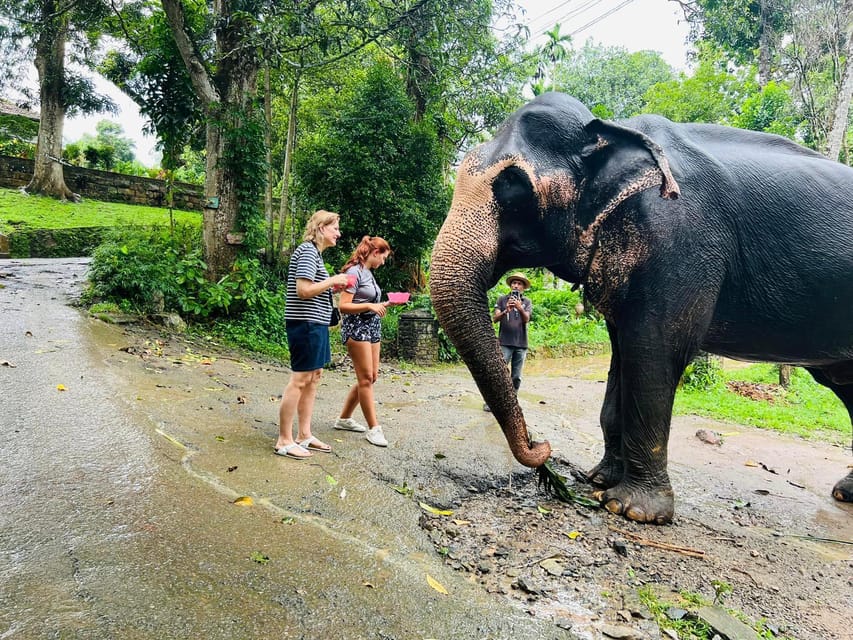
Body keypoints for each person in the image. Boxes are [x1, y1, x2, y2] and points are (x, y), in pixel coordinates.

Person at [275, 210, 350, 460]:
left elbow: (313, 288)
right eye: (335, 228)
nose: (338, 234)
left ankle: (304, 434)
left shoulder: (315, 255)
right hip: (305, 324)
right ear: (320, 228)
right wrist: (333, 281)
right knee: (300, 379)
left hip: (315, 324)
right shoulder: (307, 251)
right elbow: (303, 290)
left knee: (314, 376)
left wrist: (332, 284)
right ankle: (284, 439)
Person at [334, 235, 397, 447]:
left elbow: (368, 301)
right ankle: (374, 428)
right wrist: (370, 307)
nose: (383, 262)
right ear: (375, 253)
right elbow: (343, 305)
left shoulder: (368, 273)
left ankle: (344, 419)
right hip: (357, 327)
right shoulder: (354, 272)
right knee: (365, 378)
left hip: (371, 326)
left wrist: (384, 304)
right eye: (384, 257)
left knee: (371, 376)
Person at [483, 272, 533, 412]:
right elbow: (495, 318)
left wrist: (519, 307)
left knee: (516, 376)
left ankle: (512, 402)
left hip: (521, 344)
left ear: (523, 287)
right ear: (511, 285)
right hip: (504, 342)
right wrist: (506, 310)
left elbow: (526, 319)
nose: (516, 285)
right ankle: (491, 402)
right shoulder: (502, 299)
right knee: (499, 373)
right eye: (514, 283)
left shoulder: (527, 302)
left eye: (519, 284)